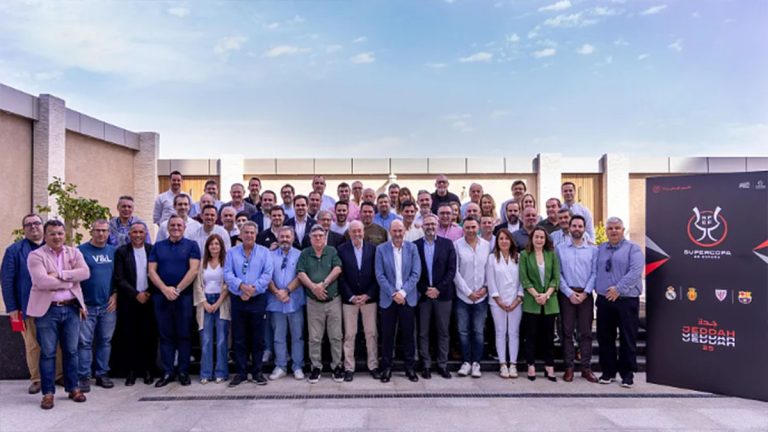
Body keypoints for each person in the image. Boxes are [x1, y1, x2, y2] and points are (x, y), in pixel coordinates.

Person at [26, 220, 90, 409]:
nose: (57, 237)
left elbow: (85, 273)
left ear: (65, 235)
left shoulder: (74, 252)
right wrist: (70, 280)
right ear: (45, 236)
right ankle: (48, 393)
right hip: (47, 311)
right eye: (52, 234)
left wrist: (60, 274)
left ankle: (73, 388)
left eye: (60, 233)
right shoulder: (35, 255)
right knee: (48, 353)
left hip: (71, 308)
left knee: (71, 351)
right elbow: (42, 281)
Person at [1, 213, 59, 395]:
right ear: (24, 229)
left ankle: (58, 375)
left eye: (37, 223)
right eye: (29, 224)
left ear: (43, 226)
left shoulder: (55, 247)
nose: (33, 227)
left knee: (57, 344)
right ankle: (37, 379)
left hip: (55, 306)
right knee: (33, 345)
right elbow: (7, 281)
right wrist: (12, 309)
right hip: (28, 307)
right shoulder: (14, 251)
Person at [148, 215, 201, 387]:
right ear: (167, 227)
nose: (176, 228)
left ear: (184, 227)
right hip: (161, 297)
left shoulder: (192, 246)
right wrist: (165, 289)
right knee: (165, 336)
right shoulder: (158, 246)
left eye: (179, 225)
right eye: (172, 225)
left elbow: (193, 271)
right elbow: (151, 271)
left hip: (183, 297)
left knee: (184, 335)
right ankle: (168, 372)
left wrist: (177, 290)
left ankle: (183, 371)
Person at [595, 217, 643, 388]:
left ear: (623, 230)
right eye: (610, 228)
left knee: (627, 337)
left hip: (626, 300)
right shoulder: (600, 249)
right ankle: (608, 371)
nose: (613, 231)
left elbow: (636, 271)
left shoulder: (633, 249)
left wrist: (618, 289)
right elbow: (595, 270)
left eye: (617, 228)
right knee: (605, 337)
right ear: (606, 231)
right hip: (605, 300)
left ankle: (627, 373)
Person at [224, 221, 274, 386]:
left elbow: (267, 274)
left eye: (252, 233)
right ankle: (241, 373)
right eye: (246, 232)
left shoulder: (264, 252)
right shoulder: (232, 253)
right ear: (241, 234)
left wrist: (252, 289)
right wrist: (241, 287)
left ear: (256, 234)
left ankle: (257, 372)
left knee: (258, 338)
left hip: (258, 298)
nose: (249, 235)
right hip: (238, 299)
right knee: (239, 338)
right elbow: (228, 273)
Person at [375, 220, 421, 383]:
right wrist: (394, 294)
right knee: (387, 336)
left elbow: (416, 273)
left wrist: (402, 292)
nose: (397, 234)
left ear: (404, 232)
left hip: (407, 298)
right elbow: (380, 275)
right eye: (394, 231)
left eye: (400, 231)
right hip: (388, 299)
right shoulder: (381, 249)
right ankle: (386, 368)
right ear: (390, 231)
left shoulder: (412, 248)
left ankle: (410, 368)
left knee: (408, 335)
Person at [297, 225, 344, 384]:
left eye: (320, 235)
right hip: (313, 302)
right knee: (315, 337)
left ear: (325, 237)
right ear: (310, 238)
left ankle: (337, 366)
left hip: (333, 301)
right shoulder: (305, 253)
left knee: (336, 336)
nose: (318, 238)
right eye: (315, 236)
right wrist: (313, 288)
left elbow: (337, 268)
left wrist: (323, 284)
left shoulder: (331, 251)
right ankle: (316, 367)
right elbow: (300, 273)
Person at [113, 221, 157, 386]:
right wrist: (135, 294)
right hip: (129, 301)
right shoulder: (122, 252)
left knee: (149, 336)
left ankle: (147, 370)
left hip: (148, 299)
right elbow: (119, 278)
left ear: (145, 234)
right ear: (129, 234)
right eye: (135, 232)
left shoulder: (152, 250)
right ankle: (131, 372)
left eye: (141, 232)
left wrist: (148, 293)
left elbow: (157, 273)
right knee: (130, 336)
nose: (138, 235)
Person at [77, 220, 118, 392]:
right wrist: (79, 302)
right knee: (84, 342)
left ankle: (102, 374)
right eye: (98, 230)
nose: (101, 234)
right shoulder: (80, 251)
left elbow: (118, 276)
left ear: (109, 233)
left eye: (105, 231)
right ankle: (84, 376)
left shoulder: (113, 251)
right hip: (87, 305)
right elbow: (75, 279)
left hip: (107, 306)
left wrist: (116, 295)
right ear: (91, 231)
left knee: (105, 341)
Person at [557, 215, 598, 383]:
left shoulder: (592, 249)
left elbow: (595, 273)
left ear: (584, 228)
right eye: (574, 225)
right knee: (566, 333)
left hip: (585, 296)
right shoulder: (560, 248)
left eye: (580, 226)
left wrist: (585, 293)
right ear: (569, 227)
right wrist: (569, 293)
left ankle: (586, 368)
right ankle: (569, 368)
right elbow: (557, 273)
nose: (577, 229)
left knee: (586, 333)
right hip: (567, 295)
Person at [414, 215, 456, 379]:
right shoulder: (415, 246)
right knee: (423, 332)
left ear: (437, 225)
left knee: (443, 331)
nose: (430, 226)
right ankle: (425, 365)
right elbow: (413, 272)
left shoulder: (447, 244)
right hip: (423, 296)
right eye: (427, 224)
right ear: (422, 226)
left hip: (443, 295)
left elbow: (451, 270)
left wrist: (438, 288)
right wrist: (426, 289)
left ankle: (442, 364)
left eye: (433, 223)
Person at [337, 221, 380, 381]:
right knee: (349, 334)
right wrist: (351, 296)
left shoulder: (373, 249)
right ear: (349, 233)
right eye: (353, 231)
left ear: (363, 232)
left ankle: (373, 365)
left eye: (359, 231)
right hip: (350, 300)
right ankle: (349, 367)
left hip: (369, 299)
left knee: (371, 334)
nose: (357, 234)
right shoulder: (341, 250)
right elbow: (340, 277)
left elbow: (378, 274)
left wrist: (368, 295)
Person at [519, 226, 560, 382]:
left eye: (542, 237)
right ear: (532, 238)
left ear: (545, 239)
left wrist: (546, 295)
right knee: (531, 336)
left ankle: (550, 367)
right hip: (532, 301)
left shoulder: (552, 255)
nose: (539, 240)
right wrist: (536, 295)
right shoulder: (524, 255)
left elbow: (556, 278)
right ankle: (531, 365)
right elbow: (524, 278)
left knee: (548, 337)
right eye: (536, 237)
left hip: (550, 301)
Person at [453, 216, 491, 378]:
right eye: (467, 227)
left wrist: (485, 288)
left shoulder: (486, 246)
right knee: (463, 331)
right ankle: (466, 361)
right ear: (463, 228)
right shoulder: (457, 245)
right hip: (463, 296)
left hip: (481, 296)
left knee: (478, 331)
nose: (470, 230)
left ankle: (476, 363)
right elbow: (455, 271)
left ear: (478, 228)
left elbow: (490, 269)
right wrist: (468, 292)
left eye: (473, 227)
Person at [266, 227, 306, 381]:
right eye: (282, 236)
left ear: (293, 238)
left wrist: (287, 291)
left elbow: (301, 275)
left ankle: (297, 366)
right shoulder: (269, 255)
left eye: (287, 237)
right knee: (278, 336)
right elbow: (266, 275)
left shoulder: (300, 255)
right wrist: (277, 292)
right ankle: (281, 365)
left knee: (297, 336)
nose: (284, 239)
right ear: (277, 238)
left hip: (294, 301)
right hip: (276, 301)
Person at [485, 229, 524, 379]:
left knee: (514, 333)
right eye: (501, 238)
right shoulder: (491, 259)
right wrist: (498, 299)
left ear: (511, 241)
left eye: (507, 239)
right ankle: (502, 364)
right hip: (497, 302)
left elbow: (522, 280)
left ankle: (513, 364)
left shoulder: (519, 258)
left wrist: (518, 299)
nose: (504, 241)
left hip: (515, 301)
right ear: (497, 241)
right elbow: (491, 281)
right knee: (500, 332)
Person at [193, 234, 231, 384]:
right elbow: (197, 285)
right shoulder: (202, 263)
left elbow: (227, 284)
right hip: (205, 302)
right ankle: (205, 373)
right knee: (206, 339)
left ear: (221, 246)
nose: (214, 246)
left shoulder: (226, 262)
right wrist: (204, 303)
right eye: (211, 244)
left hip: (222, 301)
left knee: (222, 339)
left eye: (217, 244)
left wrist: (218, 302)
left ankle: (221, 372)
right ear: (207, 247)